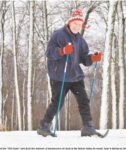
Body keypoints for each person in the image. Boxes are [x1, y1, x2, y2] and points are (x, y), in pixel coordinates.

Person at [37, 9, 102, 137]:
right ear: (69, 23)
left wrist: (92, 58)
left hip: (75, 75)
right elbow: (49, 53)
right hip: (59, 75)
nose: (77, 27)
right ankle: (44, 125)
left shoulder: (80, 40)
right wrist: (62, 51)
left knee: (83, 100)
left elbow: (84, 58)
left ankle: (88, 126)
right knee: (58, 102)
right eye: (75, 24)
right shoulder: (58, 34)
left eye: (79, 24)